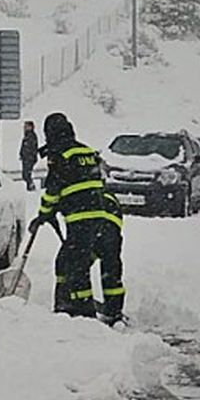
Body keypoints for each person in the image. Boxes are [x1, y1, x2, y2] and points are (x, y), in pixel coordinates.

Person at [29, 113, 126, 325]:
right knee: (110, 266)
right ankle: (114, 310)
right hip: (106, 216)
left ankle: (82, 312)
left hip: (82, 220)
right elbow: (87, 182)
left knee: (75, 265)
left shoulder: (59, 154)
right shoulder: (86, 151)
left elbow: (53, 189)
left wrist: (44, 213)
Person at [19, 121, 39, 191]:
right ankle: (30, 186)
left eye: (26, 126)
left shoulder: (31, 136)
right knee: (26, 174)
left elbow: (31, 147)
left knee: (26, 174)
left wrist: (30, 156)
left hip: (29, 158)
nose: (24, 128)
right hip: (26, 157)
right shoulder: (27, 135)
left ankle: (31, 186)